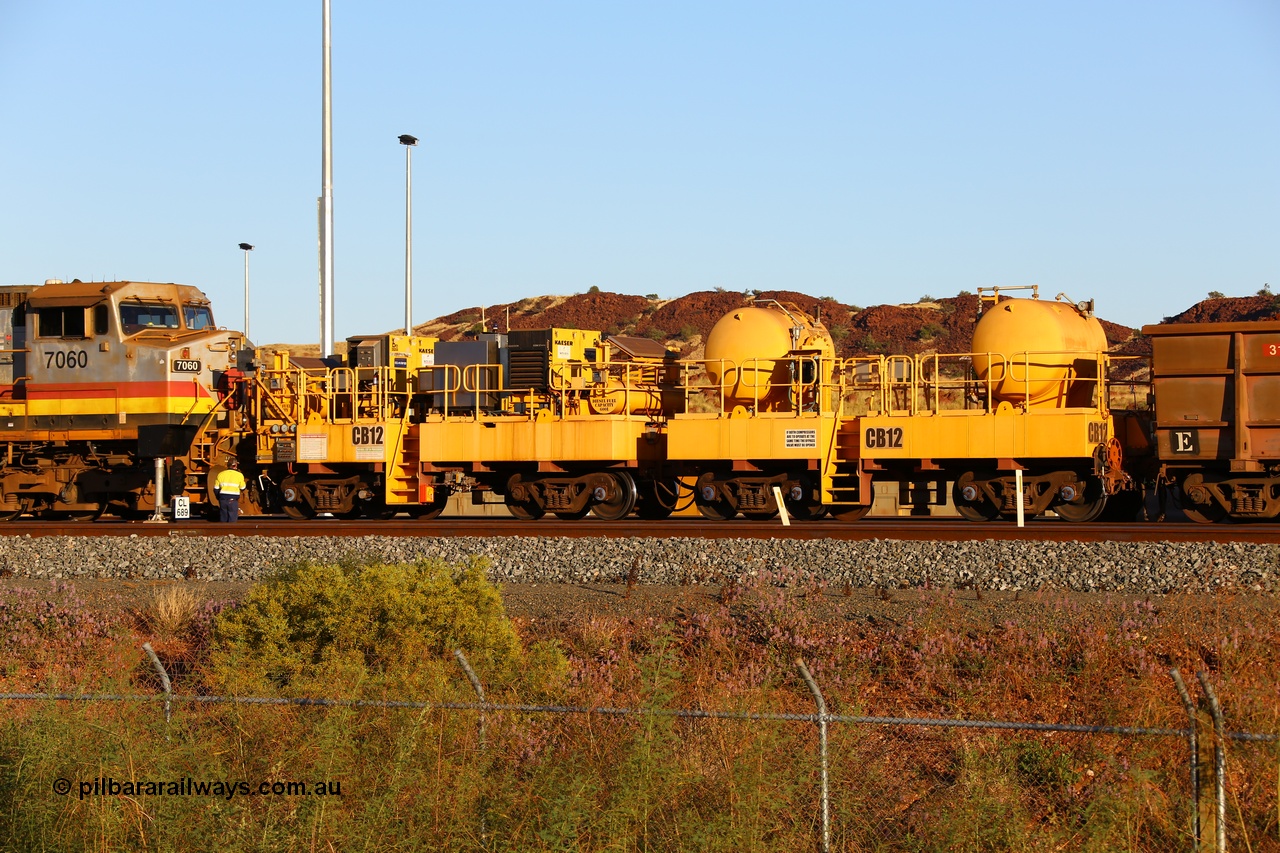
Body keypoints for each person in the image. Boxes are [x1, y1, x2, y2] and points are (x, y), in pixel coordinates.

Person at [213, 458, 247, 523]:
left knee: (223, 518)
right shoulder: (239, 475)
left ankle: (223, 532)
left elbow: (216, 489)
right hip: (233, 499)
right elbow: (243, 488)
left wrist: (219, 498)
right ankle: (230, 532)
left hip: (222, 498)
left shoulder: (221, 474)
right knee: (232, 520)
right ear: (235, 465)